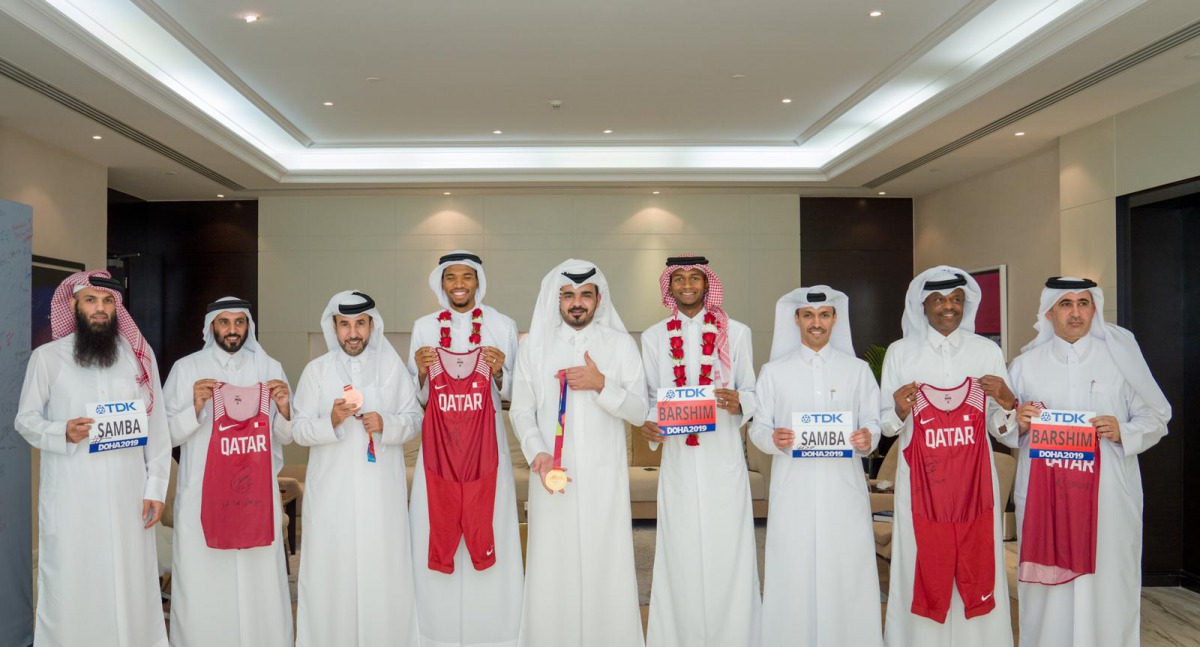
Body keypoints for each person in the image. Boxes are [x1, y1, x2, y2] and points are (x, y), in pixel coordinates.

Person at [1009, 277, 1171, 647]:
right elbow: (999, 421)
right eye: (1066, 304)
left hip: (1108, 493)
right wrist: (1017, 421)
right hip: (1046, 496)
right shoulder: (1025, 364)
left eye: (1084, 303)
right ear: (1049, 312)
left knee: (1108, 576)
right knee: (1050, 585)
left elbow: (1156, 417)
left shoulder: (1120, 359)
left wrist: (1123, 430)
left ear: (1094, 309)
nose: (1076, 312)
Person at [15, 270, 170, 646]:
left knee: (130, 580)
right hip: (72, 496)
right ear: (74, 305)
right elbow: (25, 420)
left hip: (127, 495)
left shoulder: (137, 356)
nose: (100, 309)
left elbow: (158, 426)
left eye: (107, 302)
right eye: (91, 301)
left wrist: (156, 487)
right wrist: (61, 431)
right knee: (73, 580)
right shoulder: (48, 358)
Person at [510, 260, 648, 647]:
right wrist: (537, 453)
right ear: (556, 301)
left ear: (598, 300)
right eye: (568, 295)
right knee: (552, 564)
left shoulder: (620, 345)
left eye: (585, 295)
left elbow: (639, 410)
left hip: (605, 478)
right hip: (551, 476)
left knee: (607, 562)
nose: (576, 303)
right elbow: (521, 409)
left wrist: (602, 384)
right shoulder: (533, 348)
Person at [878, 266, 1017, 647]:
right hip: (920, 484)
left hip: (975, 487)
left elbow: (1001, 428)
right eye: (939, 300)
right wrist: (900, 411)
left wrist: (1007, 403)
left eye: (956, 300)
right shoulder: (900, 353)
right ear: (922, 304)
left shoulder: (986, 351)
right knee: (920, 562)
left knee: (979, 561)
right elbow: (884, 427)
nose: (948, 307)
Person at [749, 286, 883, 647]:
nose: (816, 323)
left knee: (847, 569)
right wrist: (772, 439)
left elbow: (875, 421)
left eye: (824, 315)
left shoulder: (856, 371)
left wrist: (868, 437)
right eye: (808, 315)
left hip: (844, 492)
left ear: (836, 319)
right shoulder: (774, 372)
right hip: (794, 492)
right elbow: (758, 428)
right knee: (793, 570)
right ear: (796, 320)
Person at [639, 255, 760, 646]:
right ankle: (679, 635)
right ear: (668, 287)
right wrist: (651, 422)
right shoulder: (654, 336)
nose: (687, 285)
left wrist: (738, 401)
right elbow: (651, 398)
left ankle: (734, 634)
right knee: (680, 547)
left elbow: (754, 393)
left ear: (708, 284)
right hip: (677, 460)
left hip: (722, 458)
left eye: (695, 278)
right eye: (679, 279)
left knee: (729, 546)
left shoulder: (736, 332)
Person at [291, 290, 424, 647]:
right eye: (345, 324)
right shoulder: (316, 371)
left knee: (383, 573)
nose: (353, 333)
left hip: (381, 496)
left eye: (360, 324)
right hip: (331, 498)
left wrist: (387, 423)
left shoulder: (392, 367)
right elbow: (297, 431)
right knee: (330, 575)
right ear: (333, 327)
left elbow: (416, 421)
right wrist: (330, 421)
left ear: (371, 325)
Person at [162, 296, 294, 646]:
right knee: (203, 580)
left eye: (239, 322)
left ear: (248, 326)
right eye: (225, 322)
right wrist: (195, 406)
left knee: (259, 581)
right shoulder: (187, 369)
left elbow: (287, 435)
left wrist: (284, 408)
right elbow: (165, 434)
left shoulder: (269, 368)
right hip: (202, 493)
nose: (232, 329)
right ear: (211, 327)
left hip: (254, 496)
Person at [407, 251, 523, 647]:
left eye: (467, 277)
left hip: (487, 450)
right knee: (433, 524)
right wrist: (422, 373)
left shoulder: (503, 325)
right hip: (437, 453)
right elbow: (414, 398)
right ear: (441, 283)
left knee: (492, 523)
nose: (459, 284)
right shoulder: (423, 328)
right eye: (451, 277)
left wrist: (502, 371)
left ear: (478, 282)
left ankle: (493, 627)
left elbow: (516, 393)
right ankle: (434, 628)